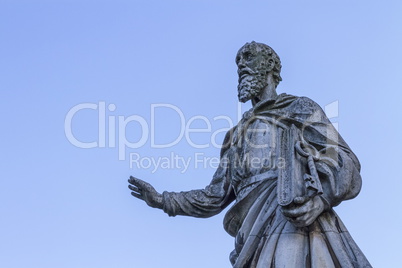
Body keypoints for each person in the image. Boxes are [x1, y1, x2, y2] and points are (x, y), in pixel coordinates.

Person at [128, 41, 372, 267]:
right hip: (250, 234)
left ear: (270, 66)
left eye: (248, 58)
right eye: (238, 62)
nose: (241, 65)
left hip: (293, 222)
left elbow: (342, 158)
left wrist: (321, 200)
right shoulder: (235, 135)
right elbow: (214, 196)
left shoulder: (301, 108)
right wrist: (163, 200)